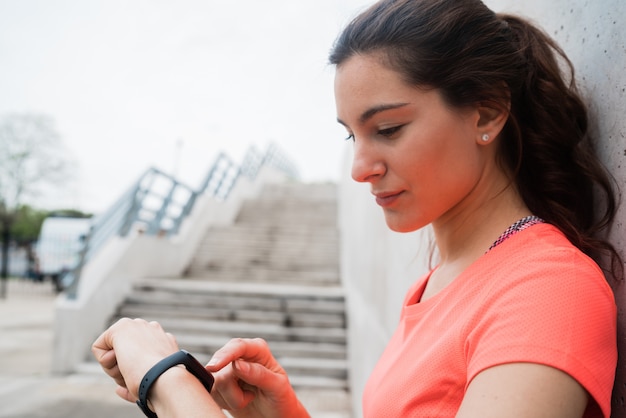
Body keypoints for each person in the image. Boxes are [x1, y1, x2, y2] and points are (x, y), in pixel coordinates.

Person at [92, 0, 622, 416]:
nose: (360, 166)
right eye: (352, 136)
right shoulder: (440, 280)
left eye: (388, 129)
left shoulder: (548, 292)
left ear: (488, 110)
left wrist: (163, 379)